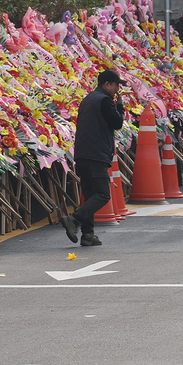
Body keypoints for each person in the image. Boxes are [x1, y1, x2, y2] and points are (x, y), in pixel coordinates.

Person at [60, 70, 127, 247]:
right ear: (107, 84)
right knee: (103, 194)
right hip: (96, 154)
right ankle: (73, 220)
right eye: (116, 85)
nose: (117, 89)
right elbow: (117, 123)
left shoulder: (88, 99)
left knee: (89, 194)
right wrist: (120, 107)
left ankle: (88, 235)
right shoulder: (104, 100)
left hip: (82, 153)